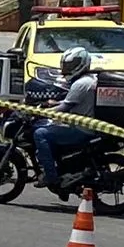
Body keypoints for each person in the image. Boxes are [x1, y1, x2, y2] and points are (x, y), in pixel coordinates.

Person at [32, 47, 98, 187]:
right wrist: (53, 103)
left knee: (40, 133)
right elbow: (72, 102)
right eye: (67, 65)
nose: (68, 69)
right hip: (87, 126)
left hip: (81, 130)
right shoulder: (89, 79)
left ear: (82, 64)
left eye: (71, 65)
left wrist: (40, 113)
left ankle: (51, 177)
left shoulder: (80, 84)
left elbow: (64, 108)